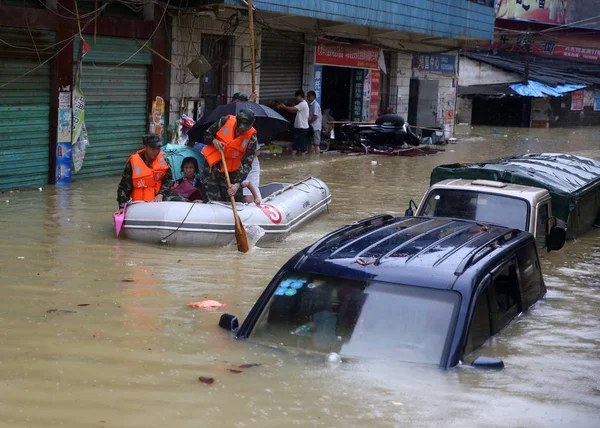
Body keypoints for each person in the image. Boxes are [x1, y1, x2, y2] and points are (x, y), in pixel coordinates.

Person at [116, 133, 185, 214]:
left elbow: (168, 181)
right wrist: (122, 206)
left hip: (159, 197)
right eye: (153, 148)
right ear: (145, 147)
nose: (156, 151)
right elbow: (123, 188)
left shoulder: (164, 161)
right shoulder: (132, 164)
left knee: (183, 201)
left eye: (158, 148)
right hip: (140, 202)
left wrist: (161, 194)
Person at [201, 108, 258, 203]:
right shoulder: (224, 121)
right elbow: (207, 134)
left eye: (244, 128)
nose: (241, 130)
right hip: (213, 168)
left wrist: (237, 184)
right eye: (239, 127)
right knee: (210, 198)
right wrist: (214, 141)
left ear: (253, 122)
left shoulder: (252, 138)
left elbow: (247, 163)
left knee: (235, 200)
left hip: (233, 172)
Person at [232, 91, 262, 203]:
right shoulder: (227, 123)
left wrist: (244, 156)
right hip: (233, 164)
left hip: (249, 165)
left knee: (249, 196)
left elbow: (257, 151)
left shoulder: (250, 132)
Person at [276, 90, 309, 156]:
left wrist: (283, 107)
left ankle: (302, 157)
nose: (296, 99)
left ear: (300, 96)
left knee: (301, 145)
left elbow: (292, 109)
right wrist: (284, 107)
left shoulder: (303, 104)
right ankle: (294, 157)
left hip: (302, 128)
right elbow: (293, 111)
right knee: (296, 144)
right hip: (299, 127)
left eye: (297, 97)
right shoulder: (300, 104)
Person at [306, 90, 322, 155]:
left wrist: (309, 122)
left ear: (313, 97)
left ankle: (317, 157)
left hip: (315, 127)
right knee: (310, 143)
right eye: (307, 97)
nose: (308, 98)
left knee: (316, 144)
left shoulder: (315, 105)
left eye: (309, 97)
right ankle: (309, 155)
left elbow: (315, 117)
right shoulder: (309, 105)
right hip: (311, 126)